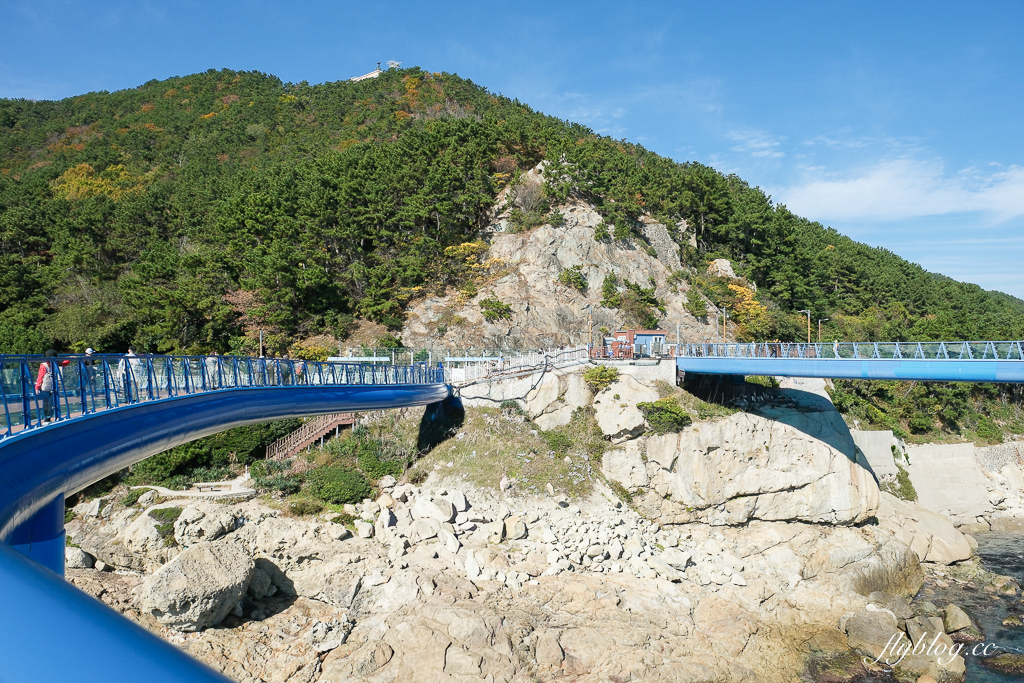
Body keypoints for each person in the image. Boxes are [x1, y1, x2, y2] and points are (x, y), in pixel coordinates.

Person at [35, 350, 69, 423]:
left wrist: (37, 387)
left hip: (45, 387)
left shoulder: (44, 365)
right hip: (54, 387)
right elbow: (66, 363)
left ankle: (46, 419)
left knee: (46, 402)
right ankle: (53, 416)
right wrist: (70, 358)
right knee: (52, 402)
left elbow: (40, 376)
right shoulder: (56, 364)